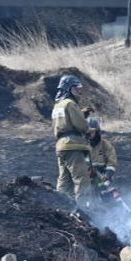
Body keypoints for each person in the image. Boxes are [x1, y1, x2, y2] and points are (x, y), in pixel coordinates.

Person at [51, 74, 93, 210]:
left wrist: (81, 113)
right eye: (76, 87)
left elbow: (65, 123)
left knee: (64, 180)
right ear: (69, 88)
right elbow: (81, 125)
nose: (79, 90)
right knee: (82, 179)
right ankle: (85, 210)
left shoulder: (58, 105)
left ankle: (61, 209)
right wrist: (88, 128)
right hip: (73, 144)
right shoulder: (70, 104)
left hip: (61, 146)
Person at [86, 118, 118, 197]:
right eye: (87, 132)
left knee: (105, 192)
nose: (89, 134)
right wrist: (87, 172)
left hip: (102, 177)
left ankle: (107, 196)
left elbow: (112, 163)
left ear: (97, 131)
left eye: (92, 132)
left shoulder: (105, 145)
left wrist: (107, 176)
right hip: (87, 177)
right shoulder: (83, 145)